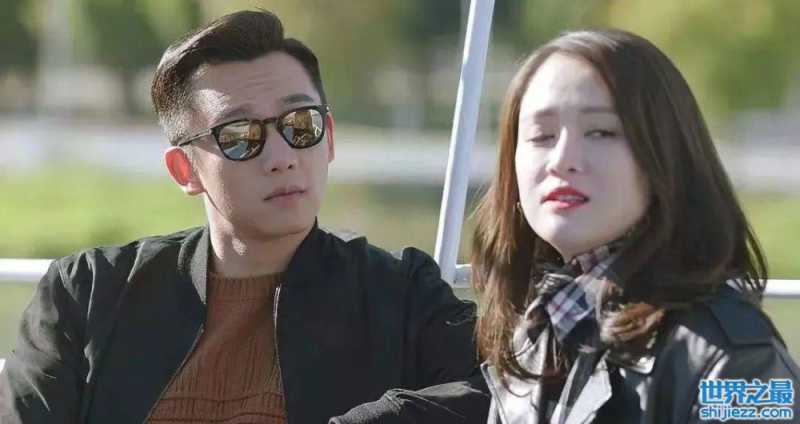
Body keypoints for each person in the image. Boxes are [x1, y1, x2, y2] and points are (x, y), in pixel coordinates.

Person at [0, 10, 489, 424]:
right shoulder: (87, 293)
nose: (281, 157)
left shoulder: (399, 293)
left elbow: (496, 389)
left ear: (329, 139)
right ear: (185, 170)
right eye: (239, 136)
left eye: (301, 125)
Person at [471, 29, 800, 423]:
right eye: (542, 136)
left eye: (601, 132)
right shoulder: (535, 330)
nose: (562, 159)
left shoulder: (737, 361)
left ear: (666, 154)